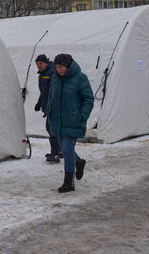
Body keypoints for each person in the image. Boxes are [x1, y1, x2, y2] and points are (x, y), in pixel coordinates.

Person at [46, 53, 94, 193]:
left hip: (72, 119)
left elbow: (88, 99)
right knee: (65, 149)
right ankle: (78, 162)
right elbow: (51, 96)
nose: (59, 70)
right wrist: (49, 111)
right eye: (57, 67)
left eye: (61, 67)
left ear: (68, 66)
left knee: (67, 149)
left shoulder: (80, 78)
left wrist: (82, 115)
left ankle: (68, 182)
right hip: (57, 120)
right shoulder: (55, 78)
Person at [33, 54, 61, 163]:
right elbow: (44, 92)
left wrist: (52, 105)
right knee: (52, 129)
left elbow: (53, 91)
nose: (39, 66)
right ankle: (60, 151)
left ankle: (55, 153)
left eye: (41, 63)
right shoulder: (42, 74)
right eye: (37, 64)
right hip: (48, 106)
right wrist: (39, 103)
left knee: (51, 129)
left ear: (46, 63)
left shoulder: (51, 73)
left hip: (53, 107)